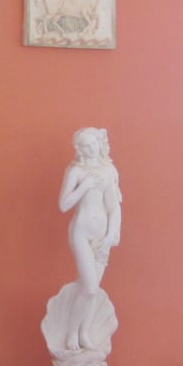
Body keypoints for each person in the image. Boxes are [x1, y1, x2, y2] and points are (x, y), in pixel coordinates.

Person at [57, 128, 121, 351]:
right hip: (81, 232)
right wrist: (83, 187)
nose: (90, 148)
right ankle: (72, 333)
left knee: (93, 289)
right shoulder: (76, 171)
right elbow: (63, 205)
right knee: (90, 287)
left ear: (99, 143)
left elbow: (114, 207)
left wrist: (111, 236)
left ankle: (84, 332)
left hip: (102, 236)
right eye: (85, 145)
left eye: (93, 143)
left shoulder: (109, 170)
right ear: (79, 149)